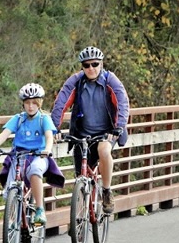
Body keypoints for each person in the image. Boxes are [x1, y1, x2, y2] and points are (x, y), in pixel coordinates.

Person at [51, 46, 130, 214]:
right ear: (82, 67)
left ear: (101, 64)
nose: (91, 68)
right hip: (82, 133)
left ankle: (107, 191)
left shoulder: (111, 80)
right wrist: (54, 128)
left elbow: (122, 103)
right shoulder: (75, 81)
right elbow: (60, 103)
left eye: (95, 64)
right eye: (86, 65)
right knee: (81, 175)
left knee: (103, 150)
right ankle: (80, 217)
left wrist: (118, 127)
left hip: (107, 132)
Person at [0, 83, 63, 225]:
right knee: (11, 186)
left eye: (34, 103)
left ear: (39, 103)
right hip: (19, 155)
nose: (30, 106)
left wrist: (48, 149)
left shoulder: (44, 119)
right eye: (27, 103)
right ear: (23, 104)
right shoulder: (19, 119)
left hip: (39, 155)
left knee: (34, 171)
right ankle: (12, 217)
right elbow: (4, 134)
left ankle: (39, 209)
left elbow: (49, 136)